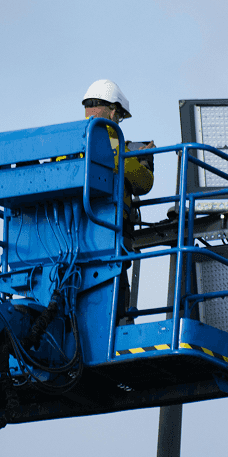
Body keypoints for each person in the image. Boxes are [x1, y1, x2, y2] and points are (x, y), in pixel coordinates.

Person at [79, 79, 154, 325]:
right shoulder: (118, 146)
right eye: (119, 116)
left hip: (70, 238)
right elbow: (144, 183)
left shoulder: (69, 145)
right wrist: (141, 158)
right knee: (116, 303)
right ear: (114, 111)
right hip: (109, 236)